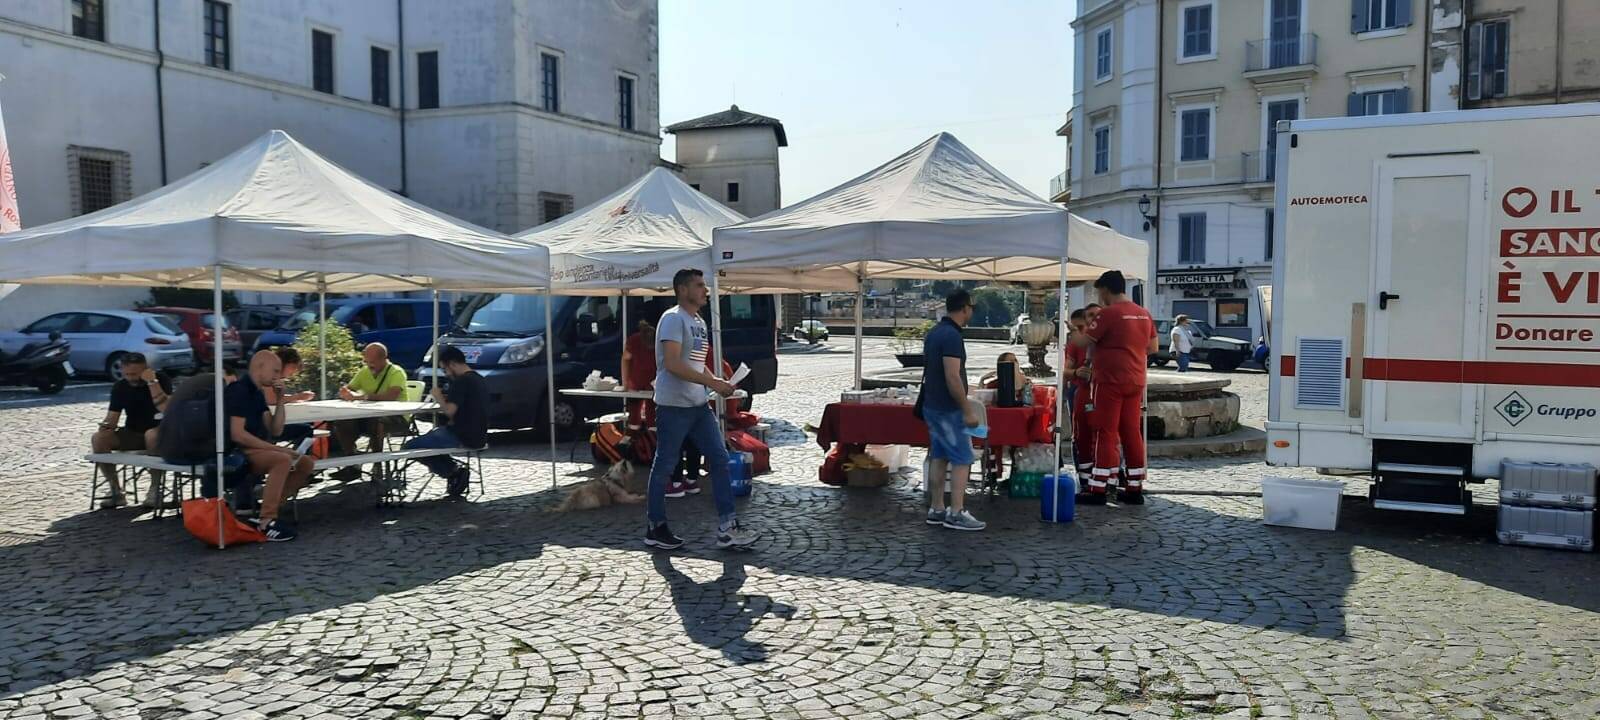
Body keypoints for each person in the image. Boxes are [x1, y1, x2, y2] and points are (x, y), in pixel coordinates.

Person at [642, 268, 756, 551]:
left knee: (719, 460)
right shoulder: (672, 319)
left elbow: (694, 362)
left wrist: (714, 383)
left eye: (704, 285)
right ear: (682, 290)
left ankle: (727, 527)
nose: (705, 290)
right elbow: (672, 363)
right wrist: (713, 381)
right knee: (665, 466)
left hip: (697, 405)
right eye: (699, 285)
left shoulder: (699, 321)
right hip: (673, 406)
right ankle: (656, 527)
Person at [1072, 272, 1157, 505]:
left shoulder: (1108, 314)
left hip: (1109, 380)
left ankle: (1097, 489)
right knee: (1131, 431)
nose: (1101, 298)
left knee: (1105, 431)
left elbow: (1082, 342)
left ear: (1106, 290)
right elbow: (1153, 347)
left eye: (1100, 293)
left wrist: (1070, 328)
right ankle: (1134, 487)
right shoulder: (1143, 313)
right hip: (1136, 379)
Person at [226, 350, 315, 541]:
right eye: (274, 371)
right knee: (282, 459)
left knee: (306, 463)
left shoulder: (257, 394)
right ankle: (268, 520)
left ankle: (268, 507)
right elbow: (238, 434)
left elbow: (274, 430)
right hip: (237, 452)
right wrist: (277, 449)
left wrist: (281, 399)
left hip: (258, 448)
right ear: (260, 367)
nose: (278, 376)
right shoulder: (239, 390)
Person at [919, 290, 986, 531]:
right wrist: (967, 410)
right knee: (962, 458)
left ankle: (937, 508)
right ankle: (956, 512)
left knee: (939, 456)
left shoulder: (935, 332)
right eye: (971, 309)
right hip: (948, 409)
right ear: (965, 308)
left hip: (933, 405)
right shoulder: (952, 337)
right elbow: (953, 377)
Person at [89, 353, 173, 509]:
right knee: (99, 438)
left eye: (135, 374)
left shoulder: (160, 380)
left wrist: (152, 382)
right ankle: (115, 490)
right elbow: (112, 417)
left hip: (159, 431)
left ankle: (155, 488)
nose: (131, 378)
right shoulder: (120, 387)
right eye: (127, 374)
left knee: (152, 435)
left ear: (146, 369)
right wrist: (106, 426)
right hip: (132, 432)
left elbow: (166, 409)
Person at [403, 345, 487, 499]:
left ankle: (452, 471)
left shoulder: (461, 382)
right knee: (428, 440)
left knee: (410, 446)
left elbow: (449, 411)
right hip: (479, 434)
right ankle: (453, 470)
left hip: (460, 434)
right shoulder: (479, 379)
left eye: (445, 369)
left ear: (453, 364)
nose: (446, 373)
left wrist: (438, 396)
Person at [330, 342, 407, 479]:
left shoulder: (396, 372)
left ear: (384, 359)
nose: (369, 365)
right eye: (366, 361)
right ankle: (352, 462)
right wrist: (345, 392)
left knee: (377, 423)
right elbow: (351, 388)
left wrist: (362, 396)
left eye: (373, 362)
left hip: (396, 418)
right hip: (367, 416)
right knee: (342, 423)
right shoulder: (364, 371)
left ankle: (377, 466)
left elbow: (391, 397)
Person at [1063, 306, 1100, 488]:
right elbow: (1066, 371)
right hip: (1080, 391)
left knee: (1105, 433)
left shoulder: (1104, 340)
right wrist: (1077, 372)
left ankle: (1109, 475)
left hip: (1102, 391)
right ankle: (1083, 475)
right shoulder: (1076, 344)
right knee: (1080, 434)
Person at [270, 347, 317, 446]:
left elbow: (276, 397)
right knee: (306, 430)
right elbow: (271, 399)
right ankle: (298, 457)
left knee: (308, 423)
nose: (293, 372)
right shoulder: (269, 377)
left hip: (271, 421)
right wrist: (297, 397)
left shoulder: (275, 377)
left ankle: (297, 455)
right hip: (265, 426)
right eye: (293, 367)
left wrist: (293, 398)